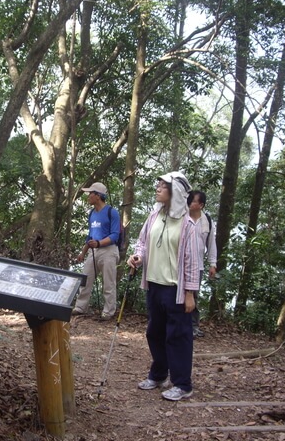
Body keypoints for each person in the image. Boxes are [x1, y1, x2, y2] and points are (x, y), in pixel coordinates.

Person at [127, 171, 201, 401]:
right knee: (155, 332)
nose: (157, 188)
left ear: (175, 192)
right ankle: (158, 374)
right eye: (158, 184)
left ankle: (182, 384)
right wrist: (137, 256)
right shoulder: (154, 215)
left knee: (178, 335)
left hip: (175, 288)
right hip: (154, 284)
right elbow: (142, 242)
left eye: (162, 185)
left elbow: (191, 260)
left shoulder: (188, 224)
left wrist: (190, 293)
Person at [73, 182, 121, 321]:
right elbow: (90, 235)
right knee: (85, 279)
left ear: (98, 196)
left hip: (109, 251)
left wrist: (99, 243)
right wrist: (83, 252)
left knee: (108, 283)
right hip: (93, 251)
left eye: (90, 193)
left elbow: (114, 235)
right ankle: (80, 307)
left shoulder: (112, 212)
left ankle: (108, 312)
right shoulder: (92, 213)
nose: (88, 196)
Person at [186, 190, 217, 338]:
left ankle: (193, 326)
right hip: (180, 264)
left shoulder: (207, 222)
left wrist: (212, 264)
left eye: (193, 201)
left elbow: (211, 244)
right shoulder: (182, 217)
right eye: (189, 200)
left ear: (201, 205)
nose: (190, 203)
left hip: (197, 266)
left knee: (194, 296)